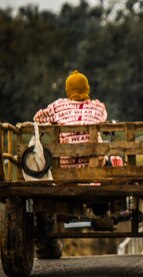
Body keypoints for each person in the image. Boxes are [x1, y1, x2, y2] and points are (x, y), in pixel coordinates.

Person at [31, 70, 109, 258]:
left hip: (64, 172)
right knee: (107, 156)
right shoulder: (97, 107)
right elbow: (104, 118)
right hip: (92, 171)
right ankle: (102, 203)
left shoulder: (58, 106)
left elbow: (37, 118)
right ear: (87, 89)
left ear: (68, 90)